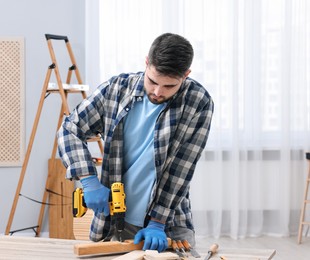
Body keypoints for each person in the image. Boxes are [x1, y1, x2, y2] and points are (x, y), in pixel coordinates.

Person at [57, 33, 214, 252]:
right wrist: (88, 180)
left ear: (186, 75)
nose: (158, 92)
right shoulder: (116, 90)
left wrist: (158, 222)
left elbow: (182, 168)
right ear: (147, 62)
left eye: (169, 86)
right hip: (114, 219)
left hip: (167, 224)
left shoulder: (198, 101)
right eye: (153, 81)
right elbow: (70, 129)